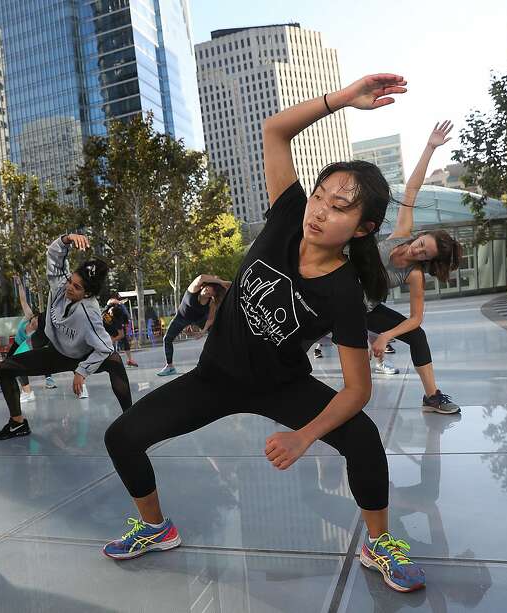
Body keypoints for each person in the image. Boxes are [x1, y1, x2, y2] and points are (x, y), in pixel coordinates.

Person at [101, 74, 426, 593]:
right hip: (216, 376)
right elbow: (275, 131)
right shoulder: (289, 218)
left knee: (362, 437)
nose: (321, 210)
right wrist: (342, 99)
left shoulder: (344, 291)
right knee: (121, 436)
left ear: (364, 228)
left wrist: (304, 436)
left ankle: (379, 542)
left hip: (281, 385)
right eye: (321, 195)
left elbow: (357, 390)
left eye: (340, 208)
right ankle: (155, 526)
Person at [0, 233, 133, 440]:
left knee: (114, 361)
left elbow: (104, 347)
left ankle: (130, 421)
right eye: (72, 281)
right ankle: (17, 424)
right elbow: (54, 256)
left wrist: (82, 372)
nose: (70, 287)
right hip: (57, 352)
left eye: (77, 287)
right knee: (4, 369)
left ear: (87, 294)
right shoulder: (61, 285)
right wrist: (67, 238)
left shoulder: (90, 312)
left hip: (82, 355)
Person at [366, 121, 463, 415]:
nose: (417, 248)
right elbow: (412, 189)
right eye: (422, 242)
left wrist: (386, 335)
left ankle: (432, 396)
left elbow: (416, 318)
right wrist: (430, 147)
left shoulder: (415, 274)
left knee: (418, 337)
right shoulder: (401, 234)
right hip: (335, 292)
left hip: (364, 308)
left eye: (424, 252)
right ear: (421, 235)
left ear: (426, 260)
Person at [156, 275, 230, 376]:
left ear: (212, 295)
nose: (206, 292)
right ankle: (170, 367)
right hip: (181, 317)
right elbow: (201, 277)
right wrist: (221, 282)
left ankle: (222, 360)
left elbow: (210, 319)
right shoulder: (193, 289)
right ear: (204, 286)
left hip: (199, 319)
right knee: (167, 339)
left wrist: (203, 331)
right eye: (207, 289)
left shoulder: (211, 302)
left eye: (209, 293)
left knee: (216, 333)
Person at [103, 293, 138, 367]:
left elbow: (121, 334)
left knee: (123, 337)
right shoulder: (107, 311)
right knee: (114, 338)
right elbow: (110, 301)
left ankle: (129, 359)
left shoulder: (120, 318)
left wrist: (112, 339)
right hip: (106, 325)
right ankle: (109, 356)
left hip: (113, 325)